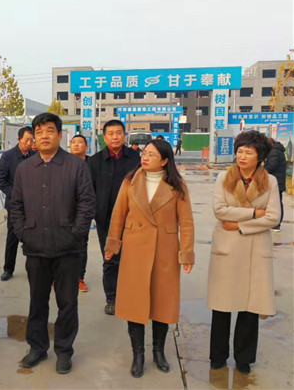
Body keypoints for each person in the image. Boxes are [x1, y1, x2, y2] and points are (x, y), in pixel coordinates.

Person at [11, 113, 95, 374]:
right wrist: (23, 233)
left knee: (67, 303)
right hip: (35, 247)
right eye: (39, 132)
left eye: (49, 130)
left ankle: (64, 351)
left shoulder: (76, 166)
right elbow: (16, 205)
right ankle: (37, 347)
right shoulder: (25, 168)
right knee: (37, 302)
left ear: (60, 135)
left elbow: (87, 203)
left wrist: (75, 234)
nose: (44, 136)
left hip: (68, 248)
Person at [105, 139, 195, 378]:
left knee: (162, 303)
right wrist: (113, 244)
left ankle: (158, 352)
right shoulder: (130, 181)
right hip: (135, 249)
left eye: (151, 154)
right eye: (144, 153)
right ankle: (138, 355)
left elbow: (186, 222)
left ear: (164, 161)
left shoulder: (177, 186)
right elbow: (118, 214)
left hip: (165, 250)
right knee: (135, 303)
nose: (144, 157)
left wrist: (186, 253)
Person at [207, 130, 280, 375]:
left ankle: (244, 358)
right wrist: (253, 213)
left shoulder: (269, 181)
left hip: (254, 249)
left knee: (250, 306)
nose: (242, 156)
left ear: (260, 156)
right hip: (227, 249)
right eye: (240, 151)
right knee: (222, 305)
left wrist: (240, 225)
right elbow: (219, 210)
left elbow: (273, 217)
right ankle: (217, 356)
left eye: (248, 152)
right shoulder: (224, 177)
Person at [87, 120, 140, 315]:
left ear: (124, 135)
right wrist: (95, 213)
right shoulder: (94, 161)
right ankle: (112, 298)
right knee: (110, 259)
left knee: (133, 259)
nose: (115, 137)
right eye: (110, 133)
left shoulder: (136, 158)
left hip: (133, 218)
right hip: (106, 219)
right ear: (104, 137)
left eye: (118, 133)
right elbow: (88, 190)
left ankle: (132, 295)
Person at [0, 126, 34, 281]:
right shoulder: (8, 157)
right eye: (26, 140)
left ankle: (34, 269)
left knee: (33, 237)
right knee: (13, 237)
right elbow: (0, 180)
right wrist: (16, 195)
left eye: (31, 140)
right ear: (19, 138)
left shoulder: (35, 156)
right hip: (15, 205)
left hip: (33, 205)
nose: (29, 143)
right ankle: (8, 269)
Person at [69, 134, 91, 292]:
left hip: (83, 211)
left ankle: (79, 278)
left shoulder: (92, 164)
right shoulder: (63, 163)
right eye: (73, 142)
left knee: (81, 245)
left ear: (86, 147)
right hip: (64, 210)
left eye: (80, 142)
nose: (76, 145)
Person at [265, 137, 286, 231]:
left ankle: (276, 224)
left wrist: (261, 173)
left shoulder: (275, 152)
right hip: (278, 181)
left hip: (276, 182)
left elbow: (271, 166)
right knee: (277, 202)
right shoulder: (277, 151)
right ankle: (276, 223)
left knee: (276, 203)